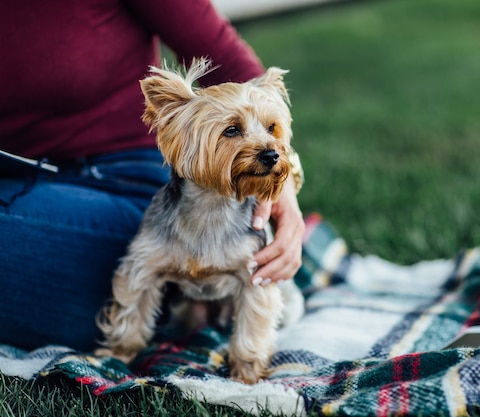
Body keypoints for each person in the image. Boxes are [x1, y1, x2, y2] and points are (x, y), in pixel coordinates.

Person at [0, 0, 305, 352]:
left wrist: (287, 187)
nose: (265, 145)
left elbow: (228, 58)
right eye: (233, 130)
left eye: (270, 130)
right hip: (25, 180)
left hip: (124, 177)